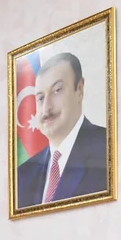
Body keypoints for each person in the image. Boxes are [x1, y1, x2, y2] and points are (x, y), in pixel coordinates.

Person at [16, 52, 108, 209]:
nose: (46, 108)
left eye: (57, 90)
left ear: (79, 90)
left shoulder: (109, 148)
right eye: (40, 98)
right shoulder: (23, 174)